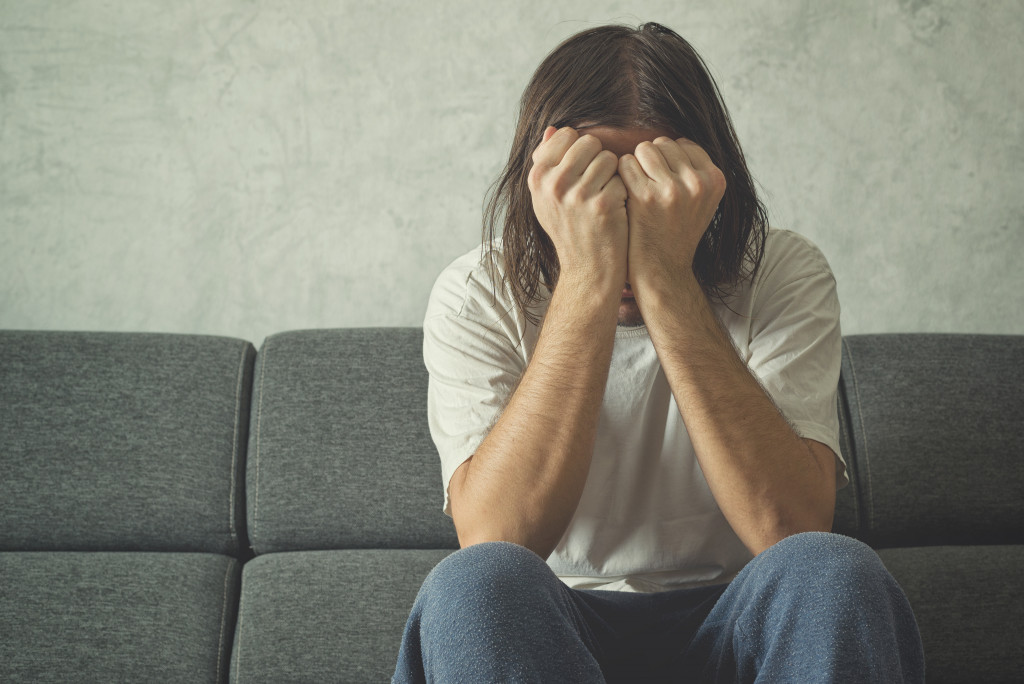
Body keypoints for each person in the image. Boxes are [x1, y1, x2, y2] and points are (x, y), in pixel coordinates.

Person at [394, 22, 924, 683]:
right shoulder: (479, 292)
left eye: (651, 191)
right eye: (595, 190)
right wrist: (588, 275)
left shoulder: (783, 272)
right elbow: (499, 538)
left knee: (834, 571)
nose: (622, 215)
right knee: (472, 585)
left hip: (742, 618)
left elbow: (790, 527)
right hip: (554, 623)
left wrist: (668, 278)